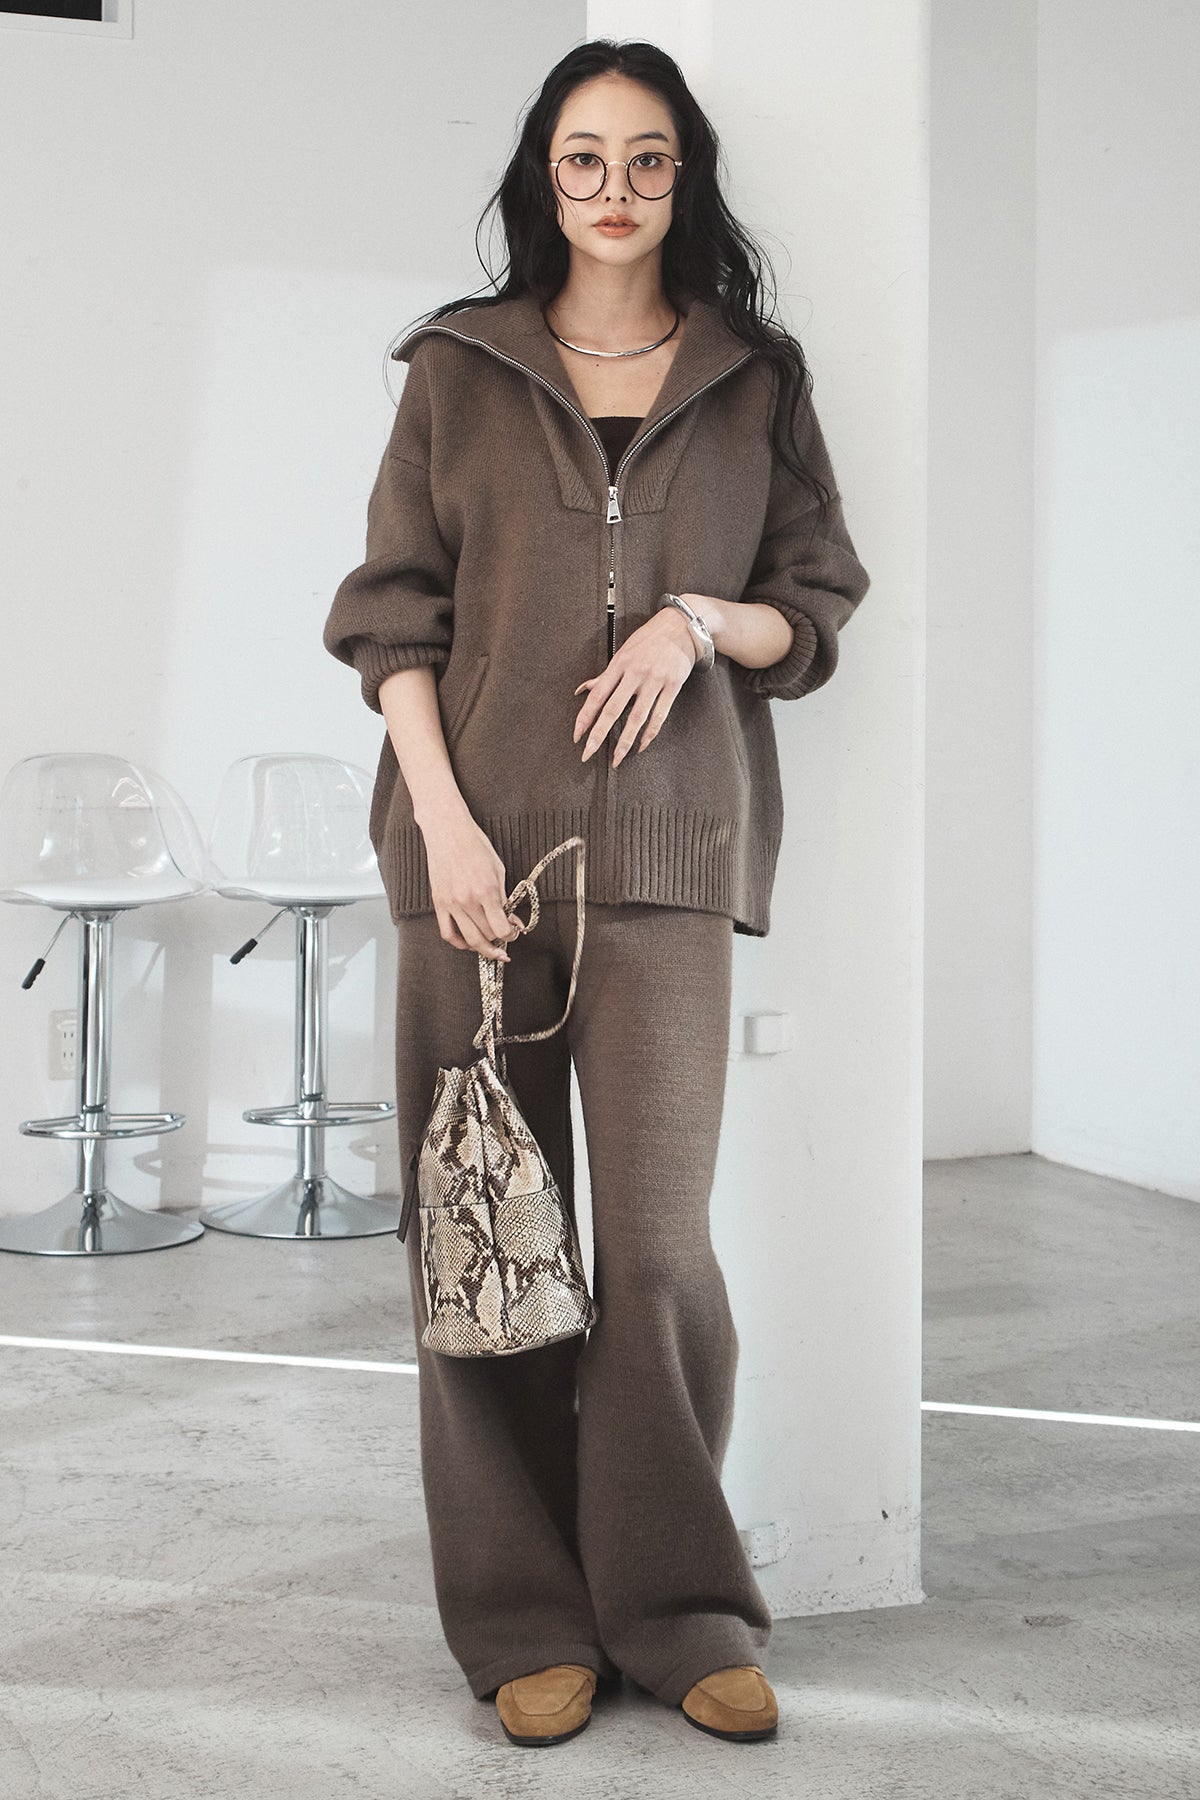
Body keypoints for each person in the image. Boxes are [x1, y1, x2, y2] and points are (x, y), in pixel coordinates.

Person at [323, 37, 870, 1749]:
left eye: (646, 159)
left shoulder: (752, 376)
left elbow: (815, 606)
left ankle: (677, 1607)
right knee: (482, 1236)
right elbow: (392, 622)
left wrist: (697, 620)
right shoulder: (457, 367)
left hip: (668, 865)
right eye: (584, 158)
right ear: (543, 177)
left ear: (681, 176)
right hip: (470, 871)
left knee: (654, 1247)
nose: (614, 189)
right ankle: (521, 1621)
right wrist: (447, 827)